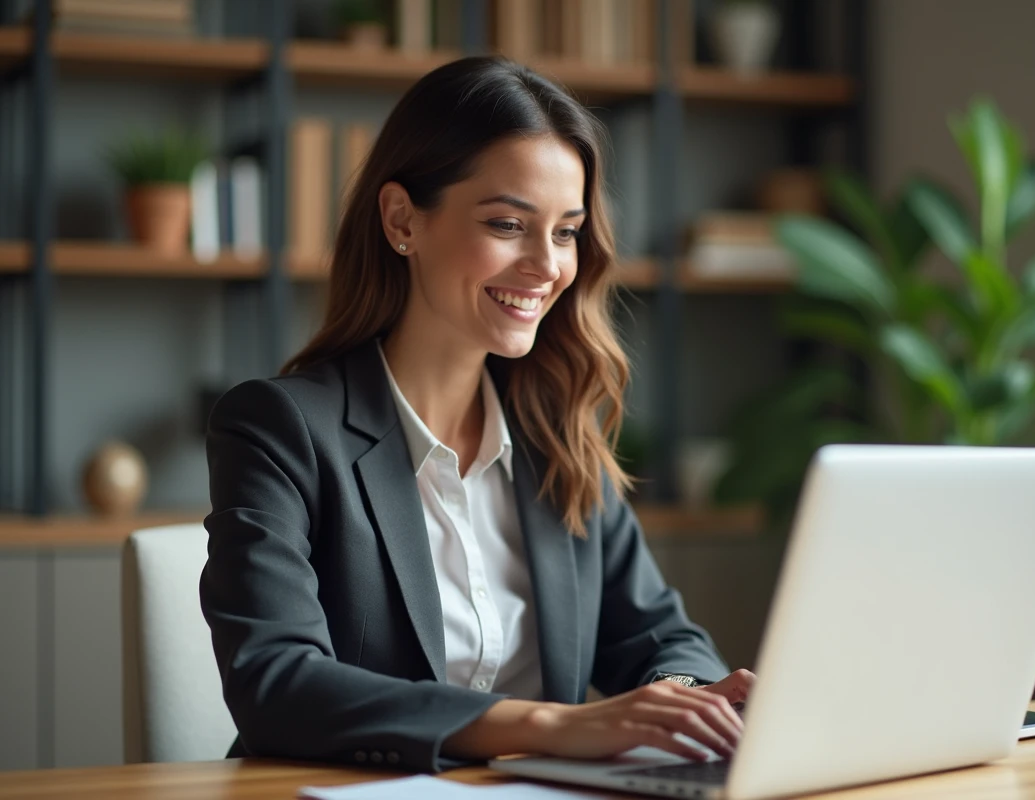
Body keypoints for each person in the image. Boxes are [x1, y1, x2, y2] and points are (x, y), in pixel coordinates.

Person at [200, 55, 754, 774]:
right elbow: (276, 682)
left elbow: (660, 640)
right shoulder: (280, 430)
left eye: (565, 231)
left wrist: (684, 700)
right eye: (507, 224)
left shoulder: (556, 436)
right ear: (403, 220)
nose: (548, 265)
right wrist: (555, 725)